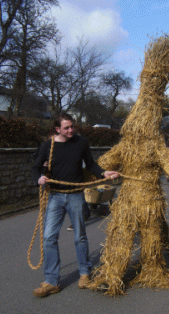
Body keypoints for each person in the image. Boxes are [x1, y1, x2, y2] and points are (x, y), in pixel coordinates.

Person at [32, 113, 120, 297]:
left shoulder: (81, 142)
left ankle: (84, 274)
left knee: (80, 236)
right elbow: (36, 166)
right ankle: (51, 281)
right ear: (57, 129)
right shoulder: (48, 145)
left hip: (75, 197)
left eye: (72, 126)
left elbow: (90, 165)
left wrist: (104, 173)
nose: (71, 130)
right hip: (55, 196)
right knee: (48, 238)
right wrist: (39, 178)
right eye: (66, 127)